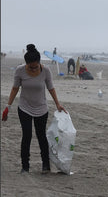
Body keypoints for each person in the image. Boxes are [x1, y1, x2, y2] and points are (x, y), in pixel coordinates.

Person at [1, 44, 67, 174]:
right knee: (27, 136)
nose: (32, 69)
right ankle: (25, 166)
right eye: (30, 67)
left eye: (35, 66)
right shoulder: (20, 70)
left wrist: (58, 104)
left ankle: (46, 165)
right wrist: (7, 107)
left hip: (42, 109)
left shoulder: (46, 71)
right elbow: (15, 88)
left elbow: (51, 88)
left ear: (39, 62)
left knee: (41, 136)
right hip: (24, 108)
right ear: (26, 63)